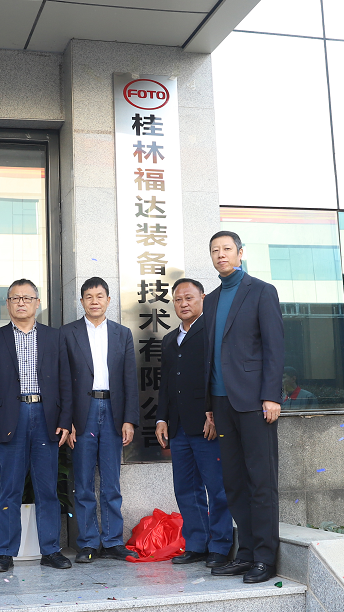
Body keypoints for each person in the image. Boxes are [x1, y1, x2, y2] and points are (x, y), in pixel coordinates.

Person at [202, 231, 285, 584]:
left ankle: (265, 558)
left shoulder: (262, 291)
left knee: (260, 481)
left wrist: (272, 395)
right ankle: (246, 553)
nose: (221, 255)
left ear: (240, 253)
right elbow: (210, 355)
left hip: (255, 403)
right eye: (215, 250)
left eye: (226, 249)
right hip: (222, 404)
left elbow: (274, 347)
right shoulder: (211, 300)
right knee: (233, 482)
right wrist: (209, 405)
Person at [0, 279, 73, 573]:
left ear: (37, 303)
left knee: (47, 489)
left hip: (46, 418)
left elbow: (65, 382)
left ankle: (51, 550)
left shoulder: (54, 337)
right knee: (9, 489)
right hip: (11, 417)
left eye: (27, 298)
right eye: (15, 298)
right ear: (8, 304)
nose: (21, 302)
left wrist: (65, 421)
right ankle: (5, 553)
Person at [155, 278, 233, 568]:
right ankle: (197, 544)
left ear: (203, 298)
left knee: (217, 488)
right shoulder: (169, 339)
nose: (183, 304)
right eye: (178, 299)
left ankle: (220, 547)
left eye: (189, 298)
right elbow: (165, 384)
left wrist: (214, 414)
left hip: (205, 425)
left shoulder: (212, 331)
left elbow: (219, 377)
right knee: (186, 489)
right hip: (178, 427)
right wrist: (161, 418)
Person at [61, 276, 140, 562]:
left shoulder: (122, 333)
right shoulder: (67, 333)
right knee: (83, 481)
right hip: (82, 412)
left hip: (113, 411)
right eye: (89, 297)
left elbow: (130, 379)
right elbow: (62, 381)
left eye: (99, 296)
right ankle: (88, 543)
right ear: (81, 301)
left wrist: (129, 419)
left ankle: (112, 540)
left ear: (108, 300)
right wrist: (66, 420)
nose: (94, 301)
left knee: (111, 481)